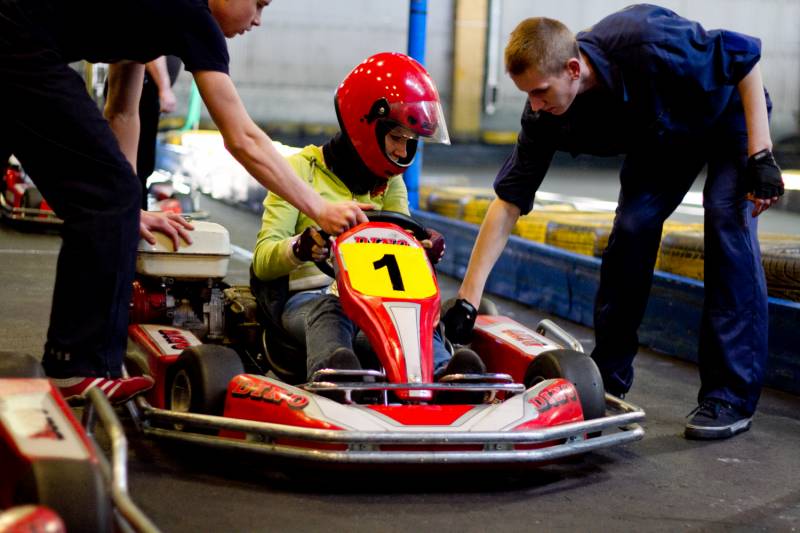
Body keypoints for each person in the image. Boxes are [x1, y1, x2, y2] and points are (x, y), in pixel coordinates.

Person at [0, 0, 370, 404]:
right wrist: (319, 207)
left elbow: (121, 110)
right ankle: (78, 365)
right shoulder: (193, 14)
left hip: (17, 36)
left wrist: (128, 208)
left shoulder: (157, 15)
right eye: (258, 5)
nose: (257, 21)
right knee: (109, 194)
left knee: (115, 194)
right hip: (18, 38)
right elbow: (242, 138)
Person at [442, 5, 784, 439]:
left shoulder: (645, 39)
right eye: (527, 94)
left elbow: (743, 57)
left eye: (541, 91)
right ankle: (608, 375)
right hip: (662, 139)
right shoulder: (543, 115)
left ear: (572, 69)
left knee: (725, 219)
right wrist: (468, 301)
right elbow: (508, 202)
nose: (535, 105)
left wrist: (761, 156)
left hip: (726, 112)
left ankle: (729, 396)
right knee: (632, 230)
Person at [251, 52, 485, 384]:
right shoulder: (299, 172)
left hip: (374, 303)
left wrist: (422, 249)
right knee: (332, 309)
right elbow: (262, 261)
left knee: (415, 312)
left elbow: (400, 249)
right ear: (366, 126)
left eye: (410, 142)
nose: (402, 152)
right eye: (396, 138)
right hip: (309, 300)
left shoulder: (391, 184)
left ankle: (443, 374)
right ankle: (334, 375)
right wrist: (301, 248)